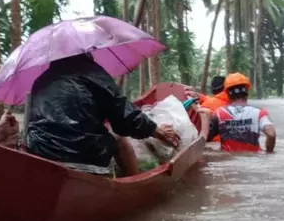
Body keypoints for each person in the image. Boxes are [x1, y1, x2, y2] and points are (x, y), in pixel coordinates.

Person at [26, 54, 179, 177]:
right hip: (85, 157)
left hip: (41, 155)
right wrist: (157, 130)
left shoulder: (40, 81)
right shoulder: (92, 73)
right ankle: (134, 184)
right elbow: (126, 119)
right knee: (119, 138)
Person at [210, 73, 276, 152]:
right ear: (247, 93)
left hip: (228, 160)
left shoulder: (219, 113)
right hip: (254, 161)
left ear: (227, 94)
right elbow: (271, 134)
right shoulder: (259, 113)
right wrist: (269, 152)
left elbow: (207, 138)